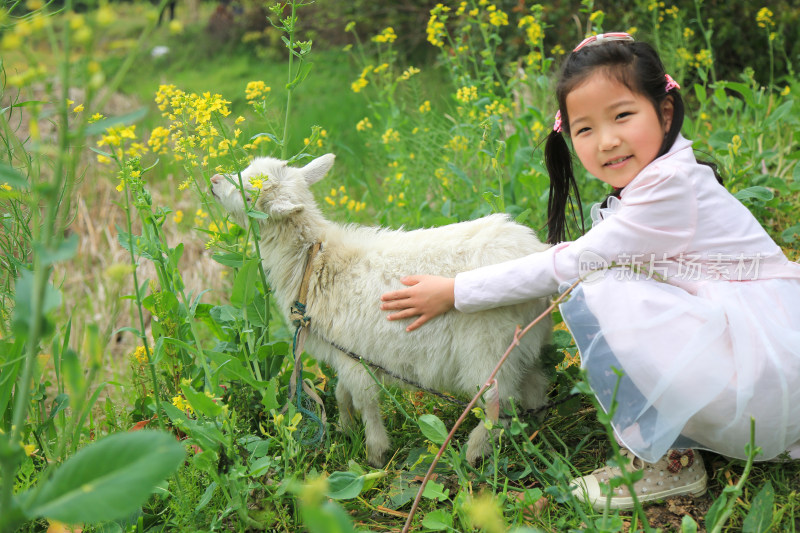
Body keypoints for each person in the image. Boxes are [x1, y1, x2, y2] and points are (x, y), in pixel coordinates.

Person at [380, 32, 800, 510]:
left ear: (665, 112)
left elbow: (572, 263)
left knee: (604, 286)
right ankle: (678, 439)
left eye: (623, 115)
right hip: (755, 348)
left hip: (769, 365)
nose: (608, 141)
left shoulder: (669, 186)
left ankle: (667, 466)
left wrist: (455, 290)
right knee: (610, 278)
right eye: (585, 129)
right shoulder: (660, 177)